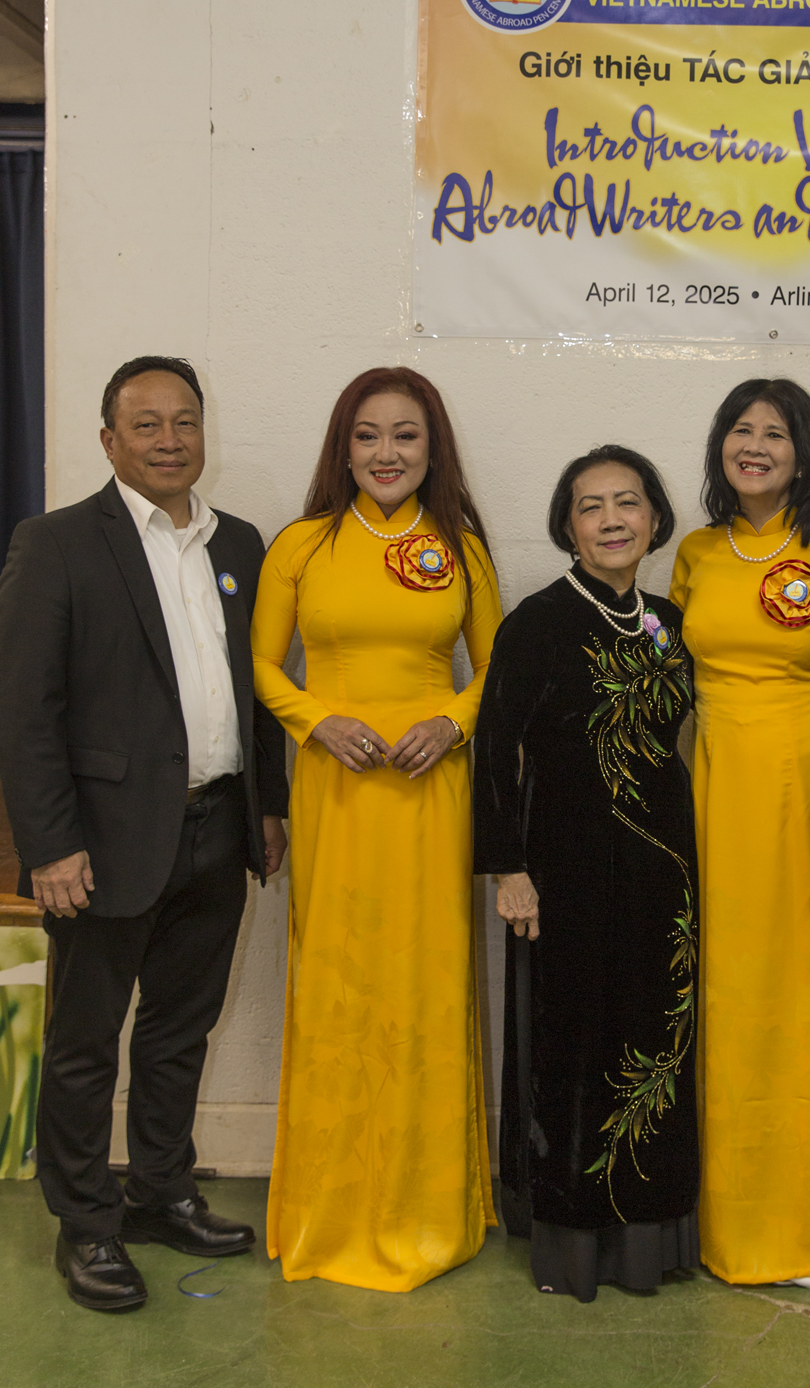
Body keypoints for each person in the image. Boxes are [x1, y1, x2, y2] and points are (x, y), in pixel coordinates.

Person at [0, 356, 288, 1313]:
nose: (170, 440)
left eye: (185, 422)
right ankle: (86, 1224)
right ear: (109, 439)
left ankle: (161, 1191)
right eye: (147, 424)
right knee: (86, 1044)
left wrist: (268, 807)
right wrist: (49, 845)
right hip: (102, 844)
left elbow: (255, 690)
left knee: (178, 1032)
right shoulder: (56, 543)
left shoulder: (237, 542)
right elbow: (25, 712)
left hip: (219, 828)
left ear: (205, 431)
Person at [250, 366, 501, 1292]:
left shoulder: (461, 548)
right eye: (367, 435)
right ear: (342, 448)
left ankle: (427, 1208)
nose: (386, 453)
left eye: (405, 435)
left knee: (427, 981)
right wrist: (317, 721)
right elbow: (261, 666)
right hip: (338, 790)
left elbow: (497, 669)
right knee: (339, 982)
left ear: (433, 448)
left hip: (432, 793)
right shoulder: (301, 545)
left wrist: (455, 723)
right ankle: (333, 1207)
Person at [668, 379, 810, 1287]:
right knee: (726, 989)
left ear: (805, 456)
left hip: (808, 794)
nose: (754, 445)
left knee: (808, 990)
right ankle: (727, 1214)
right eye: (740, 429)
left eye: (776, 432)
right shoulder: (693, 552)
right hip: (715, 788)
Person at [473, 445, 699, 1302]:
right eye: (590, 506)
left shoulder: (668, 621)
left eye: (627, 502)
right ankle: (572, 1241)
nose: (611, 520)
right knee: (572, 1050)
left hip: (662, 874)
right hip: (562, 873)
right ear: (567, 527)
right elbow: (495, 748)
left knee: (656, 1040)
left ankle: (653, 1233)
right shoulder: (536, 621)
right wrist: (507, 868)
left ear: (654, 518)